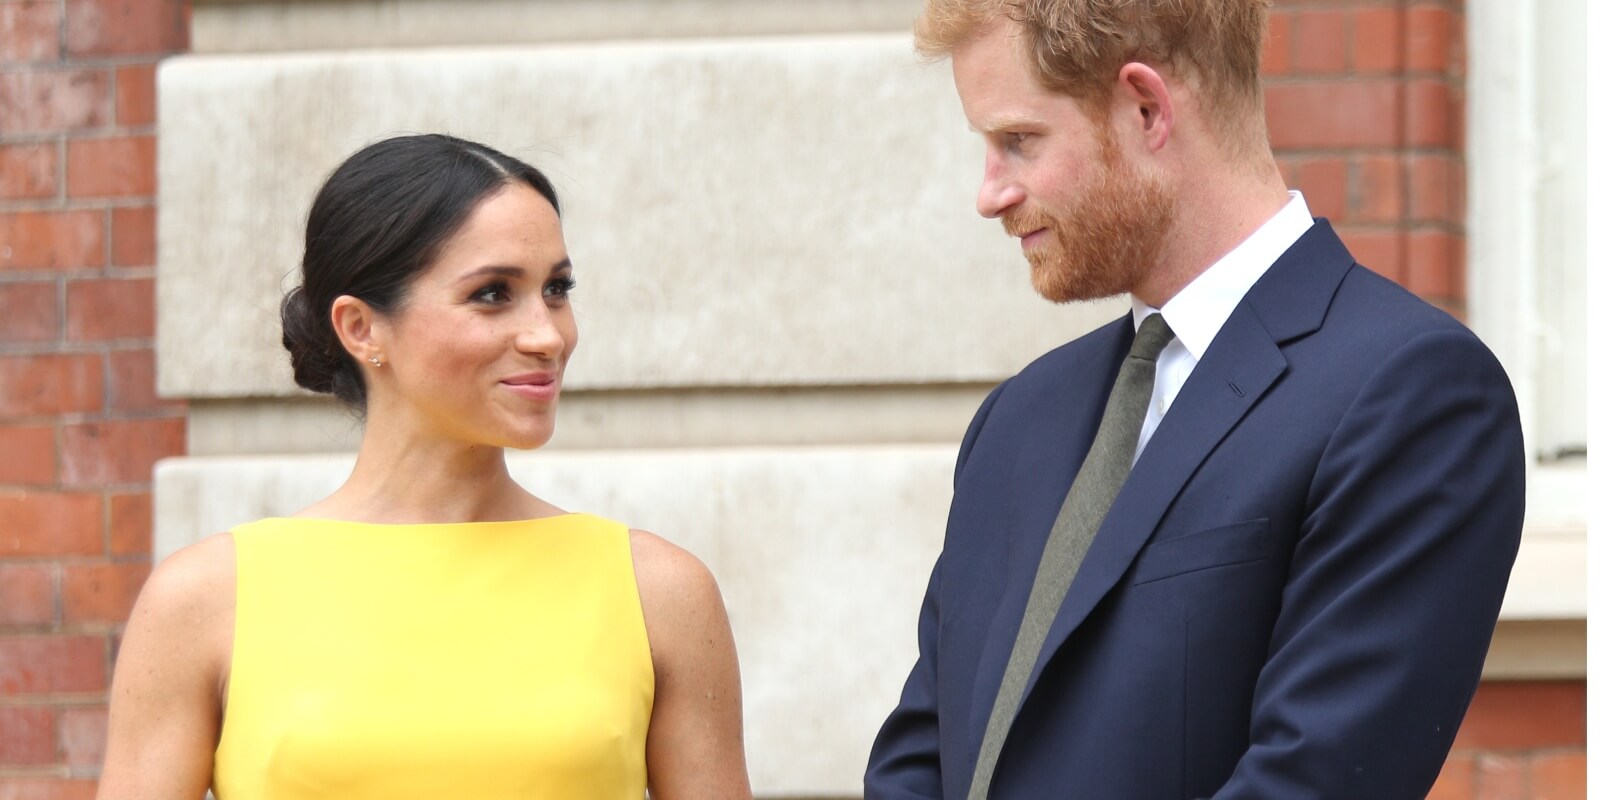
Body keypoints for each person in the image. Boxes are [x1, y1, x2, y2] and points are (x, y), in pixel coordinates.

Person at [866, 2, 1524, 798]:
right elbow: (917, 763)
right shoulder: (1017, 422)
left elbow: (1310, 783)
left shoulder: (1410, 396)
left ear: (1146, 108)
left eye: (1018, 142)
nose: (991, 195)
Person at [99, 134, 753, 799]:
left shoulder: (660, 593)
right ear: (360, 328)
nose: (548, 334)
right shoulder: (205, 600)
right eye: (493, 294)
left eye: (556, 289)